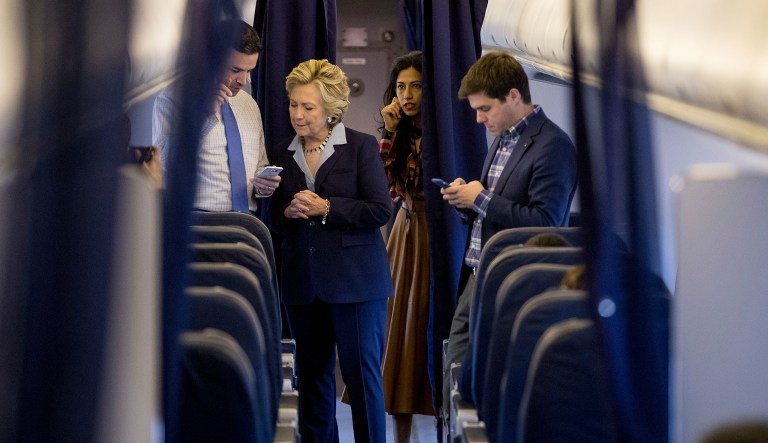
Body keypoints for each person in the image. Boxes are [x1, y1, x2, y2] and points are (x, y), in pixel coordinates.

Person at [441, 51, 578, 406]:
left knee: (475, 383)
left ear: (514, 96)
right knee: (456, 372)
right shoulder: (504, 138)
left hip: (515, 281)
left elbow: (547, 225)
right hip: (478, 274)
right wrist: (466, 202)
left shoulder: (553, 146)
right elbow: (495, 211)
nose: (478, 118)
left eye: (485, 108)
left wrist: (482, 198)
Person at [269, 59, 393, 443]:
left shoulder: (360, 147)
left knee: (361, 378)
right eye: (294, 104)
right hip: (303, 283)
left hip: (355, 281)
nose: (298, 115)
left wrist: (327, 208)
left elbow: (379, 209)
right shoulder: (280, 151)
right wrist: (287, 212)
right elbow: (274, 220)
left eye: (308, 107)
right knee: (312, 381)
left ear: (331, 109)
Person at [152, 19, 280, 213]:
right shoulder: (174, 99)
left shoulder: (249, 104)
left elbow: (259, 163)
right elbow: (164, 164)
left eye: (249, 71)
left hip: (245, 222)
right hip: (197, 221)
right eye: (236, 70)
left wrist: (264, 184)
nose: (243, 80)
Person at [375, 50, 434, 442]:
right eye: (400, 87)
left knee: (424, 323)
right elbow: (387, 190)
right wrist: (390, 135)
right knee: (398, 328)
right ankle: (400, 436)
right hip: (404, 227)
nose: (407, 95)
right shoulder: (397, 131)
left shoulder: (440, 132)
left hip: (432, 229)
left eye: (415, 86)